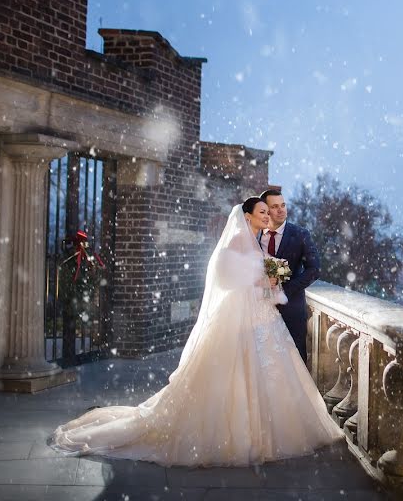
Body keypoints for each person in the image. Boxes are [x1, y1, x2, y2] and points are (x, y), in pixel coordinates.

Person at [50, 197, 343, 467]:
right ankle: (240, 437)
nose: (268, 216)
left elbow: (259, 280)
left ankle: (269, 433)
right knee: (233, 375)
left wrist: (269, 280)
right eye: (262, 212)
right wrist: (263, 280)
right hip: (239, 317)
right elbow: (227, 281)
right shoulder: (231, 247)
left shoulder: (256, 245)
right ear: (247, 216)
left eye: (270, 211)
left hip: (261, 318)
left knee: (271, 372)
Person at [258, 189, 320, 363]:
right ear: (265, 209)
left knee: (295, 363)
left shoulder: (300, 234)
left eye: (283, 205)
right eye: (275, 206)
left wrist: (285, 290)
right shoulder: (253, 236)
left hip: (291, 310)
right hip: (258, 311)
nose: (281, 210)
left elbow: (314, 269)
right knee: (262, 363)